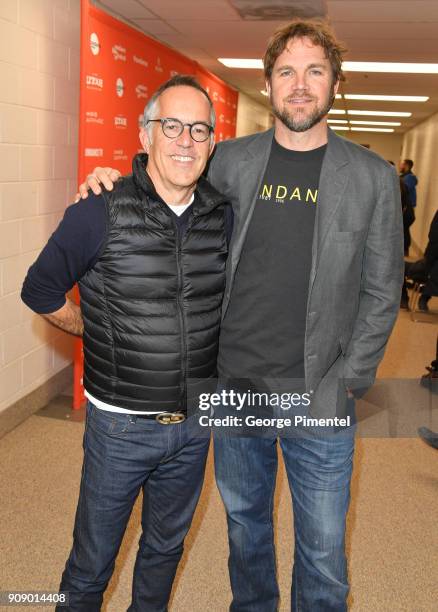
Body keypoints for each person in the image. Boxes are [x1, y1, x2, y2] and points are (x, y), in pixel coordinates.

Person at [79, 20, 404, 612]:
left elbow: (382, 291)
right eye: (286, 72)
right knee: (246, 530)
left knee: (324, 552)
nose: (299, 86)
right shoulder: (230, 160)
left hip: (319, 392)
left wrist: (351, 377)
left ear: (335, 82)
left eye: (314, 71)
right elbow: (167, 176)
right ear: (269, 83)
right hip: (234, 388)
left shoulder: (372, 179)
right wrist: (111, 176)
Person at [21, 75, 232, 612]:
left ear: (212, 143)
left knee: (164, 551)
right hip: (119, 427)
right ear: (146, 136)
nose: (186, 140)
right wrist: (93, 326)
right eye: (172, 126)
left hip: (192, 427)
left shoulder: (222, 216)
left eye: (199, 129)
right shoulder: (100, 208)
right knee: (91, 567)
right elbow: (39, 289)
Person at [402, 209, 438, 311]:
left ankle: (404, 299)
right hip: (430, 265)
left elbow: (433, 244)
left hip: (429, 268)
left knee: (398, 267)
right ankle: (422, 298)